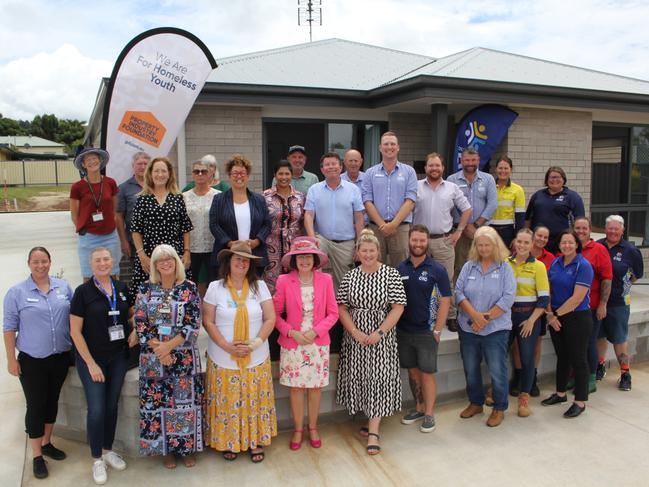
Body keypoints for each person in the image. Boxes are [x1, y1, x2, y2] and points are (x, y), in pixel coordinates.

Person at [202, 242, 277, 463]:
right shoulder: (216, 288)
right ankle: (229, 441)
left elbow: (270, 318)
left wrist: (254, 343)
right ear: (229, 262)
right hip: (223, 355)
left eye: (246, 260)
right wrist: (226, 345)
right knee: (229, 401)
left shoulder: (259, 287)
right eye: (237, 259)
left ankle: (255, 441)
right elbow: (208, 321)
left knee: (253, 400)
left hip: (255, 355)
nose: (242, 263)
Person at [69, 247, 138, 484]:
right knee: (97, 409)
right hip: (92, 360)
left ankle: (108, 451)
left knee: (111, 406)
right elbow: (75, 332)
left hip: (118, 357)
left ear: (113, 262)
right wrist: (90, 364)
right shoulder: (83, 292)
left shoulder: (121, 288)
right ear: (91, 264)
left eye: (106, 259)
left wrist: (136, 329)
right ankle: (97, 458)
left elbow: (131, 315)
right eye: (97, 260)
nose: (102, 263)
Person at [3, 247, 72, 480]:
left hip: (60, 358)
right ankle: (36, 456)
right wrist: (11, 359)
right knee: (35, 406)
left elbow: (75, 318)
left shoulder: (63, 288)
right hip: (32, 361)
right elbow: (9, 328)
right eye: (36, 261)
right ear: (29, 264)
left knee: (51, 401)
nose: (40, 265)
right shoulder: (17, 292)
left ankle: (46, 443)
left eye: (44, 261)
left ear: (50, 262)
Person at [336, 229, 407, 455]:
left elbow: (398, 307)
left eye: (372, 250)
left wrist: (380, 332)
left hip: (381, 337)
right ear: (357, 253)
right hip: (355, 337)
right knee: (361, 377)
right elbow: (342, 308)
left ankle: (374, 430)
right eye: (363, 250)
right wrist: (354, 331)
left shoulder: (390, 274)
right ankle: (369, 418)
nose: (367, 254)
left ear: (378, 251)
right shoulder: (350, 276)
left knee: (378, 378)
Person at [134, 245, 203, 468]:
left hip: (182, 357)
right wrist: (159, 350)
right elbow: (141, 323)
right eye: (160, 260)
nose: (166, 263)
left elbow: (193, 323)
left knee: (183, 404)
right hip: (153, 360)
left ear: (176, 261)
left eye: (169, 259)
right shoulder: (145, 289)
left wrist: (169, 347)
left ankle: (185, 449)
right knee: (158, 403)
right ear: (154, 265)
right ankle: (166, 451)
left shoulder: (189, 288)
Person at [273, 237, 338, 450]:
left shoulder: (326, 280)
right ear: (293, 260)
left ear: (315, 259)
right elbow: (274, 313)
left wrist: (315, 332)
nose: (304, 260)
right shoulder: (284, 281)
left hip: (317, 343)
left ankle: (313, 427)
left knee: (315, 388)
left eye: (308, 256)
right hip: (293, 343)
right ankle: (298, 429)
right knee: (296, 389)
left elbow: (333, 313)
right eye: (300, 257)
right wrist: (291, 332)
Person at [455, 226, 516, 427]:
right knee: (471, 369)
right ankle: (476, 403)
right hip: (469, 327)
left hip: (496, 330)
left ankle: (499, 408)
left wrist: (485, 319)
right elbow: (459, 292)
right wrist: (475, 316)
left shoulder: (505, 267)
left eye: (487, 244)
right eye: (480, 244)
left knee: (497, 370)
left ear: (495, 245)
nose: (483, 248)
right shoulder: (469, 266)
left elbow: (508, 298)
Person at [396, 225, 451, 433]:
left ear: (427, 242)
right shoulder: (400, 268)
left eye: (421, 240)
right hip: (404, 331)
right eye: (414, 240)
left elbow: (446, 301)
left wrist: (437, 330)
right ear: (409, 241)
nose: (418, 244)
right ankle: (418, 408)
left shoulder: (437, 270)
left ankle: (429, 413)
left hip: (426, 332)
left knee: (427, 374)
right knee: (412, 372)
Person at [412, 152, 472, 330]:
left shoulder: (452, 188)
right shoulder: (415, 187)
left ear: (443, 168)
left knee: (446, 279)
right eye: (431, 165)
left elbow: (467, 209)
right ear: (425, 168)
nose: (434, 168)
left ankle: (451, 315)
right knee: (418, 280)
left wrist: (459, 231)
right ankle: (421, 313)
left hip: (443, 241)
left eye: (437, 165)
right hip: (419, 242)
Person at [542, 230, 594, 418]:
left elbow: (577, 298)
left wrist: (554, 315)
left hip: (577, 318)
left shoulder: (583, 265)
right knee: (562, 356)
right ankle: (560, 393)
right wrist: (550, 315)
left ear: (577, 244)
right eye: (564, 242)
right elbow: (547, 291)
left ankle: (580, 401)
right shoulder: (555, 263)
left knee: (578, 359)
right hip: (555, 316)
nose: (567, 246)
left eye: (571, 242)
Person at [130, 157, 193, 294]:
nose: (160, 174)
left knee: (177, 293)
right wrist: (142, 256)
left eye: (163, 171)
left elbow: (185, 228)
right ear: (150, 174)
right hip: (149, 255)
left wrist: (187, 252)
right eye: (156, 171)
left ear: (169, 174)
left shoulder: (178, 198)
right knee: (147, 295)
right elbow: (136, 230)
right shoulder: (142, 199)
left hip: (174, 254)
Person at [304, 152, 364, 290]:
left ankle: (340, 310)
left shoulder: (353, 189)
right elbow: (308, 215)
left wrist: (359, 243)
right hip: (322, 239)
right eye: (327, 164)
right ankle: (317, 304)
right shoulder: (314, 189)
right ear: (322, 169)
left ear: (341, 167)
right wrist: (312, 239)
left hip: (345, 243)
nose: (331, 167)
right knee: (313, 268)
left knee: (344, 282)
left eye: (334, 164)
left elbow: (359, 218)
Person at [596, 215, 644, 390]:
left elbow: (637, 274)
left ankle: (625, 373)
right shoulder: (598, 245)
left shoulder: (630, 250)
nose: (613, 231)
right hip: (597, 300)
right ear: (605, 229)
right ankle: (599, 365)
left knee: (619, 338)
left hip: (618, 302)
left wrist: (625, 286)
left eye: (617, 229)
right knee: (599, 335)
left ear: (622, 230)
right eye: (610, 228)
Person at [506, 229, 550, 417]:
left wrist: (532, 320)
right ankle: (497, 390)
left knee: (527, 358)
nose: (522, 246)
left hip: (529, 317)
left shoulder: (538, 266)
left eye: (526, 243)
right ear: (514, 243)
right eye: (519, 242)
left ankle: (524, 399)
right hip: (507, 316)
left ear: (532, 245)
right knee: (498, 354)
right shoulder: (505, 264)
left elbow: (543, 299)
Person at [209, 154, 272, 276]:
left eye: (242, 173)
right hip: (227, 254)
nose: (239, 176)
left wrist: (257, 241)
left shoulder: (259, 199)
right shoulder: (219, 199)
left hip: (254, 255)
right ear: (229, 176)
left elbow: (267, 224)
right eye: (235, 173)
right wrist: (229, 243)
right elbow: (214, 224)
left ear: (248, 176)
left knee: (252, 292)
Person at [361, 131, 418, 266]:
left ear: (398, 147)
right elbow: (367, 201)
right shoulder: (370, 173)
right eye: (386, 144)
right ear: (380, 148)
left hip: (401, 228)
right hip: (376, 229)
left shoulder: (409, 172)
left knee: (402, 268)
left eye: (392, 144)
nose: (389, 147)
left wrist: (393, 225)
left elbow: (410, 201)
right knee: (374, 267)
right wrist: (382, 225)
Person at [447, 147, 498, 285]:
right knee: (459, 267)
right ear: (461, 161)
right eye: (467, 160)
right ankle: (459, 303)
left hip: (482, 231)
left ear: (478, 161)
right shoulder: (452, 179)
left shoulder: (488, 179)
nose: (470, 163)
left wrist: (475, 225)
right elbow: (451, 204)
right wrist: (465, 226)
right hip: (459, 232)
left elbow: (492, 204)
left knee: (483, 265)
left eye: (473, 160)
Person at [70, 148, 121, 280]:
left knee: (113, 273)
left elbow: (114, 209)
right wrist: (85, 230)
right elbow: (74, 215)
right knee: (88, 275)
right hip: (89, 237)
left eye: (94, 158)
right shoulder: (77, 187)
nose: (92, 161)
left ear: (100, 160)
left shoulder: (110, 183)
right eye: (88, 160)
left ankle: (113, 299)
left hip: (110, 236)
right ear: (83, 164)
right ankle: (89, 300)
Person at [574, 217, 612, 393]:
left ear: (590, 230)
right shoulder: (568, 247)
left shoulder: (599, 249)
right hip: (570, 308)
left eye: (584, 228)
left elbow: (606, 278)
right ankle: (576, 377)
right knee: (574, 343)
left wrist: (603, 304)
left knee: (589, 343)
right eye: (577, 228)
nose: (580, 231)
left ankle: (590, 378)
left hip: (592, 306)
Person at [262, 160, 305, 294]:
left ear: (291, 175)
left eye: (287, 173)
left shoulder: (300, 197)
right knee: (271, 284)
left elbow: (303, 221)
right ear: (275, 175)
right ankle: (272, 313)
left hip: (294, 248)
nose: (284, 177)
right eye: (280, 174)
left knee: (294, 283)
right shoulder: (265, 196)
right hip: (271, 248)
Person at [525, 166, 585, 253]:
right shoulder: (537, 195)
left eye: (558, 177)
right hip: (538, 242)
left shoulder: (573, 197)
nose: (554, 180)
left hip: (561, 244)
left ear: (563, 179)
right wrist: (526, 236)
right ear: (546, 180)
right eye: (551, 177)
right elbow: (527, 219)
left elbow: (579, 222)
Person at [183, 159, 220, 296]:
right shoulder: (184, 197)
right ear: (192, 174)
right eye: (196, 171)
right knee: (189, 283)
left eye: (203, 171)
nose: (200, 174)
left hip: (212, 246)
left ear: (210, 173)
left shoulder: (218, 196)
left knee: (213, 283)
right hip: (190, 247)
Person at [116, 151, 150, 263]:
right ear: (133, 166)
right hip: (134, 241)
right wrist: (123, 241)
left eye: (146, 164)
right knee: (139, 274)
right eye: (139, 164)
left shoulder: (157, 186)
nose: (143, 167)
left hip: (156, 238)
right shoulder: (123, 188)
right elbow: (119, 216)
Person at [491, 156, 526, 248]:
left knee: (506, 260)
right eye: (500, 168)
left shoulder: (518, 190)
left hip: (507, 232)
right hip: (489, 230)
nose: (503, 171)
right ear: (496, 169)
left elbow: (520, 216)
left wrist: (517, 237)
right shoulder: (489, 187)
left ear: (511, 169)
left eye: (506, 168)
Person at [341, 149, 368, 226]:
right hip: (345, 227)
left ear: (361, 162)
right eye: (350, 161)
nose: (353, 164)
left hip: (366, 226)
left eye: (356, 161)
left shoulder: (368, 179)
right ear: (345, 162)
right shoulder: (338, 181)